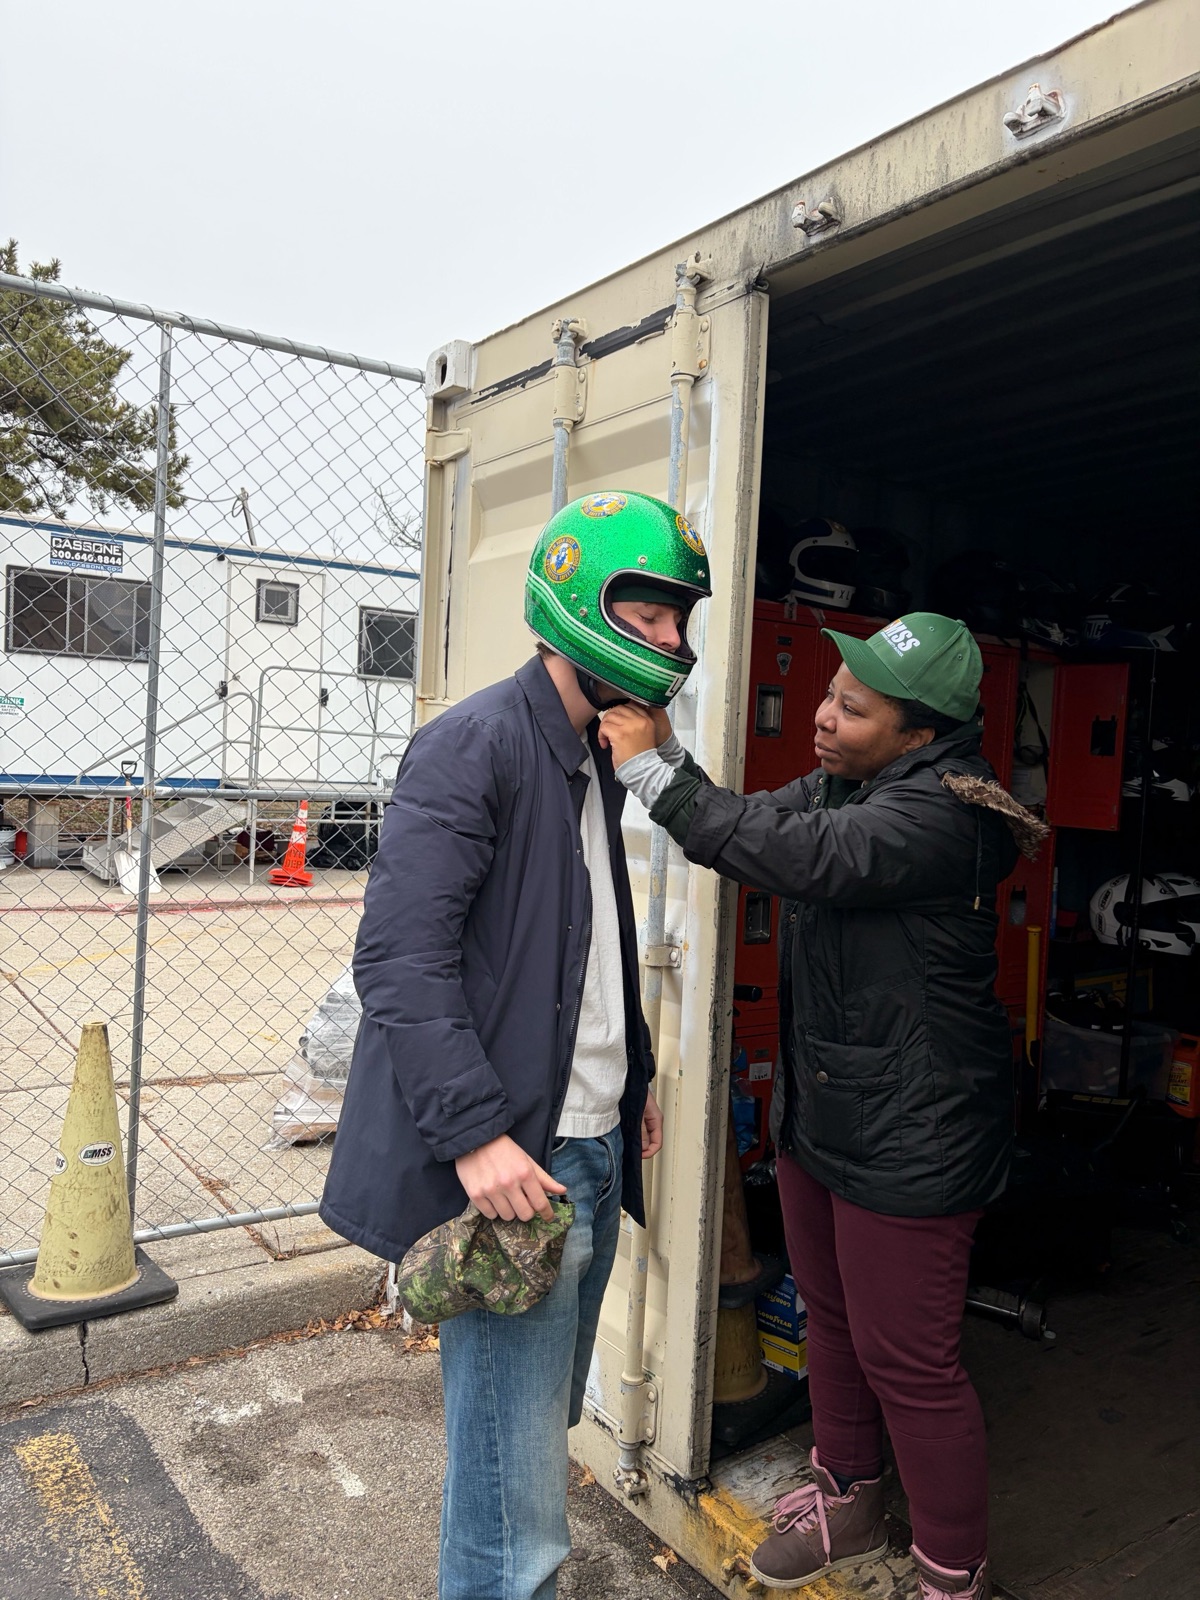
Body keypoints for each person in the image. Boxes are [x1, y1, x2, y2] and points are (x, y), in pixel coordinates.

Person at [600, 612, 1048, 1600]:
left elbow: (796, 858)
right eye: (828, 692)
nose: (823, 716)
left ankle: (950, 1574)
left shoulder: (942, 816)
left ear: (920, 734)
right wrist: (668, 752)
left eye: (854, 707)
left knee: (912, 1363)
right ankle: (848, 1501)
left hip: (916, 1131)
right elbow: (764, 825)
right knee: (835, 1321)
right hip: (830, 1111)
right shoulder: (853, 781)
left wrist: (652, 772)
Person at [320, 489, 712, 1600]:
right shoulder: (475, 743)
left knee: (517, 1462)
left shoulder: (592, 753)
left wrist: (625, 1072)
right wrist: (479, 1138)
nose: (675, 640)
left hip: (582, 1147)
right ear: (579, 606)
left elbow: (582, 937)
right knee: (519, 1520)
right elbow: (399, 959)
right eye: (651, 615)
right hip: (517, 1171)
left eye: (680, 617)